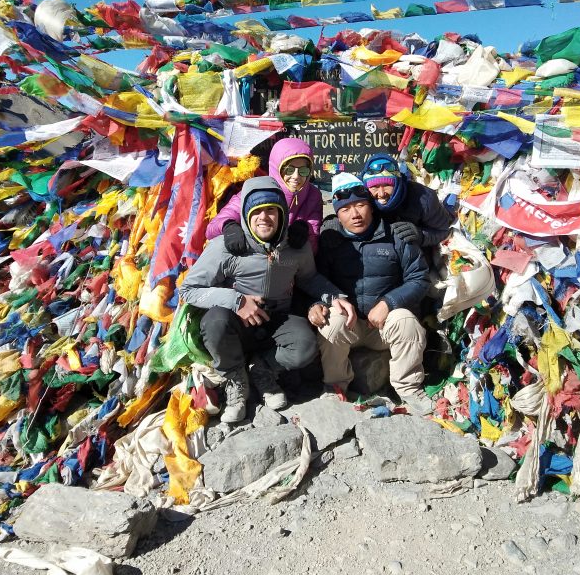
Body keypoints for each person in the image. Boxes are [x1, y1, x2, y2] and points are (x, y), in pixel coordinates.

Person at [181, 176, 355, 422]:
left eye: (271, 210)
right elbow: (189, 289)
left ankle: (262, 369)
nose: (264, 218)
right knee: (214, 322)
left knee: (304, 346)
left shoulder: (296, 246)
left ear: (282, 213)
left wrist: (334, 296)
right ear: (245, 214)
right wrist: (237, 301)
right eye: (257, 211)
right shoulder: (225, 246)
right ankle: (236, 379)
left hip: (276, 319)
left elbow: (309, 278)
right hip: (236, 323)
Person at [308, 173, 433, 416]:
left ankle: (408, 386)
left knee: (406, 322)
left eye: (361, 205)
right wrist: (316, 304)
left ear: (371, 207)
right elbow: (315, 280)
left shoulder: (396, 235)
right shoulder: (330, 240)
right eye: (345, 209)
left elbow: (420, 279)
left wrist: (390, 302)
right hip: (350, 327)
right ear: (337, 213)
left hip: (383, 327)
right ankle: (336, 386)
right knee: (330, 322)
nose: (355, 214)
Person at [207, 137, 323, 252]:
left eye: (303, 171)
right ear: (276, 167)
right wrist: (229, 226)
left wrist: (306, 232)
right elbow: (212, 229)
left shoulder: (313, 195)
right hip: (254, 258)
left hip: (290, 263)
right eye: (289, 170)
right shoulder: (255, 190)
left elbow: (314, 247)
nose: (296, 176)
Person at [360, 153, 454, 250]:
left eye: (387, 185)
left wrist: (420, 235)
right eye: (374, 187)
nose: (381, 194)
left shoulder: (423, 198)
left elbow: (443, 231)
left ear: (397, 183)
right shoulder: (360, 200)